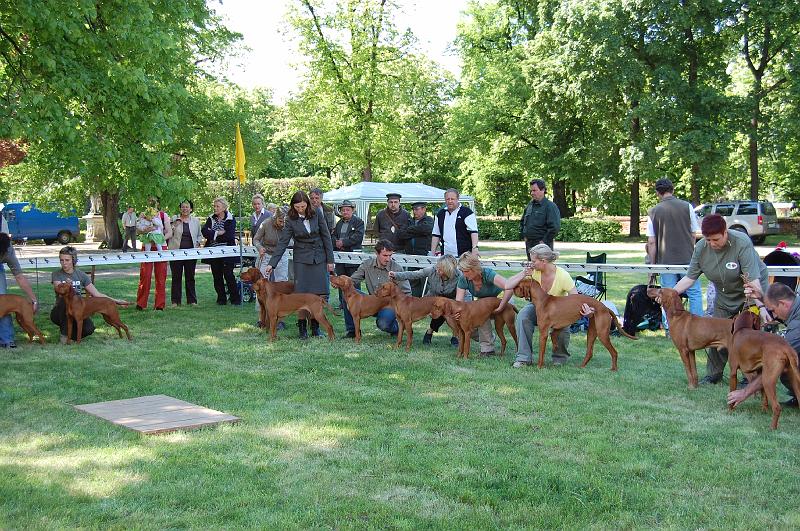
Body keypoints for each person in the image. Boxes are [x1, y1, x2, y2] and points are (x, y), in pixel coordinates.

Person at [672, 213, 768, 384]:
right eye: (708, 240)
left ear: (725, 232)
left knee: (748, 336)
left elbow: (753, 281)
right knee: (715, 333)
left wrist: (761, 306)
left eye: (716, 239)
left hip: (750, 293)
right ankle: (713, 374)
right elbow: (689, 278)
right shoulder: (701, 248)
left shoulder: (741, 242)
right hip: (724, 295)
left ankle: (751, 375)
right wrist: (671, 294)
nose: (712, 244)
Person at [263, 191, 334, 339]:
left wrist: (330, 260)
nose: (300, 209)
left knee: (316, 295)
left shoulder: (317, 213)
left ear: (307, 204)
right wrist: (272, 264)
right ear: (293, 206)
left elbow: (326, 236)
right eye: (297, 207)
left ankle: (315, 329)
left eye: (302, 206)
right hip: (301, 259)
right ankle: (302, 330)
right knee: (301, 295)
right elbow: (283, 242)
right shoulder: (290, 219)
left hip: (318, 257)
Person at [500, 244, 580, 367]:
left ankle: (559, 358)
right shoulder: (534, 272)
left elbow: (575, 298)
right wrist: (523, 273)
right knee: (523, 316)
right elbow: (507, 285)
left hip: (558, 309)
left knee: (564, 325)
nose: (531, 264)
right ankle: (523, 358)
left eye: (533, 261)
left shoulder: (562, 275)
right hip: (537, 307)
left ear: (543, 261)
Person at [727, 282, 800, 409]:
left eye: (772, 311)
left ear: (783, 303)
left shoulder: (797, 327)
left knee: (785, 365)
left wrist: (745, 392)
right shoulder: (795, 304)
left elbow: (775, 364)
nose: (774, 316)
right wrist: (759, 296)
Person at [646, 178, 703, 330]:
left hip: (665, 260)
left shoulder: (653, 211)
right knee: (694, 293)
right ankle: (698, 326)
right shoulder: (687, 207)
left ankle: (670, 327)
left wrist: (652, 265)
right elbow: (693, 233)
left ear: (658, 193)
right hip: (688, 258)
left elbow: (652, 242)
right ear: (673, 190)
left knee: (667, 293)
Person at [50, 245, 128, 343]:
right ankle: (65, 335)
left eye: (67, 260)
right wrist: (65, 284)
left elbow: (97, 294)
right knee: (64, 302)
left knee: (88, 329)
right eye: (61, 260)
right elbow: (59, 290)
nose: (64, 263)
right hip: (60, 310)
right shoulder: (57, 274)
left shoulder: (81, 275)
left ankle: (72, 337)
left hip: (78, 308)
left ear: (73, 260)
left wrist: (116, 301)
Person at [340, 239, 411, 338]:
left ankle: (397, 328)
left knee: (383, 324)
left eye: (390, 255)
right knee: (346, 293)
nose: (388, 259)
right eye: (385, 255)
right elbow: (352, 280)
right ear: (376, 253)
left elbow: (407, 292)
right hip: (372, 301)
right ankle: (352, 331)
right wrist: (340, 283)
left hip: (388, 305)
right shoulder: (367, 265)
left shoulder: (397, 268)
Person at [389, 254, 461, 346]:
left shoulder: (458, 276)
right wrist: (396, 275)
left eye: (441, 269)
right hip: (432, 299)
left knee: (450, 312)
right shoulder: (432, 270)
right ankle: (429, 332)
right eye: (437, 267)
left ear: (448, 270)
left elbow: (465, 292)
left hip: (452, 299)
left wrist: (460, 307)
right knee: (438, 307)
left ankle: (456, 336)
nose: (437, 270)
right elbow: (415, 274)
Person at [455, 252, 510, 356]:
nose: (464, 274)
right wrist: (457, 313)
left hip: (502, 298)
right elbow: (459, 303)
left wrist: (502, 306)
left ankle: (518, 347)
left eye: (466, 271)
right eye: (462, 271)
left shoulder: (488, 274)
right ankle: (488, 350)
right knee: (478, 318)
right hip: (484, 304)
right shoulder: (463, 279)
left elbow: (509, 288)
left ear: (475, 268)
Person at [253, 206, 289, 328]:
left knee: (281, 285)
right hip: (267, 254)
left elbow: (294, 240)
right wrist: (260, 248)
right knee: (261, 286)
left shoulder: (289, 225)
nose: (282, 224)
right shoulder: (266, 223)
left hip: (281, 255)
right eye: (280, 221)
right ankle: (261, 318)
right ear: (275, 217)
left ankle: (280, 320)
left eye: (285, 222)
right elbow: (256, 239)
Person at [0, 232, 39, 348]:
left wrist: (34, 300)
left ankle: (6, 339)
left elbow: (19, 277)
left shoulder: (9, 251)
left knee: (3, 303)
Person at [202, 197, 241, 306]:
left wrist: (213, 234)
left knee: (228, 274)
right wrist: (218, 233)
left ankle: (235, 299)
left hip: (228, 251)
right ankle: (221, 299)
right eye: (214, 206)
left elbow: (229, 236)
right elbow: (204, 231)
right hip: (214, 252)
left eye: (217, 206)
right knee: (216, 275)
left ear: (224, 207)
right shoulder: (211, 218)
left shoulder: (230, 218)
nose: (215, 208)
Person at [135, 198, 171, 311]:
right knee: (145, 275)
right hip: (147, 246)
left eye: (154, 201)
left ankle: (159, 305)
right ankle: (141, 303)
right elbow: (138, 230)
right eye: (150, 201)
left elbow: (169, 232)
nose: (152, 203)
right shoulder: (143, 214)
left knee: (161, 276)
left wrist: (158, 239)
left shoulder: (163, 215)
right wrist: (146, 231)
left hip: (161, 247)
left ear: (158, 203)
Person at [168, 200, 201, 306]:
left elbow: (199, 235)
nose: (185, 209)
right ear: (180, 208)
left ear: (191, 209)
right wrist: (174, 224)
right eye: (183, 207)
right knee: (176, 277)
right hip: (176, 252)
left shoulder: (196, 221)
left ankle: (192, 300)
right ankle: (175, 301)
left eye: (187, 207)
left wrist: (197, 243)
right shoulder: (174, 219)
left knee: (190, 277)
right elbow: (168, 232)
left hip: (191, 253)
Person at [332, 199, 365, 305]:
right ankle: (343, 302)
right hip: (340, 256)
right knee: (340, 279)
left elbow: (358, 237)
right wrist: (336, 242)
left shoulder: (359, 222)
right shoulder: (339, 223)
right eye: (343, 210)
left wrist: (343, 242)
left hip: (353, 256)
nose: (345, 212)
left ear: (352, 210)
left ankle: (356, 301)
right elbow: (334, 235)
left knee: (354, 279)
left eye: (347, 210)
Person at [399, 201, 434, 296]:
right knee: (412, 281)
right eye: (414, 209)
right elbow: (402, 234)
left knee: (425, 282)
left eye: (417, 209)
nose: (415, 212)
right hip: (410, 257)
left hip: (424, 257)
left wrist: (411, 230)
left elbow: (426, 229)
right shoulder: (409, 221)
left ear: (424, 209)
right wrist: (417, 231)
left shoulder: (429, 220)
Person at [431, 188, 479, 257]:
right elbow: (436, 234)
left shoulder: (467, 212)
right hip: (446, 256)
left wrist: (475, 248)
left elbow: (473, 232)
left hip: (464, 256)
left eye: (452, 199)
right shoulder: (440, 214)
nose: (450, 201)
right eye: (448, 199)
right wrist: (432, 253)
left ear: (457, 199)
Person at [520, 179, 561, 253]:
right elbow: (523, 222)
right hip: (529, 244)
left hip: (543, 245)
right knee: (532, 264)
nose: (532, 193)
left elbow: (555, 227)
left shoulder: (550, 206)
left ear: (543, 190)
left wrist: (543, 241)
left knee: (542, 264)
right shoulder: (529, 206)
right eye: (531, 191)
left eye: (534, 190)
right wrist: (524, 236)